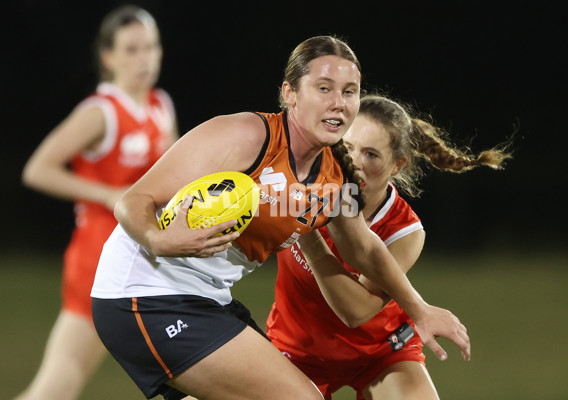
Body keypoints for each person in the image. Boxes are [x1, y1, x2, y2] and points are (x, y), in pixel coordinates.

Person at [90, 35, 470, 400]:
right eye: (324, 88)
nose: (338, 102)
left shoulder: (333, 175)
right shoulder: (246, 136)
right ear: (289, 93)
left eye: (349, 91)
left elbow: (365, 250)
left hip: (205, 300)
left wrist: (420, 310)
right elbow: (132, 201)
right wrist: (159, 239)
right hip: (143, 293)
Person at [266, 93, 512, 400]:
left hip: (380, 353)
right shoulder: (301, 182)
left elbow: (355, 312)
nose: (354, 162)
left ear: (397, 166)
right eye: (348, 147)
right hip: (297, 351)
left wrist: (304, 231)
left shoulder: (404, 231)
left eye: (371, 154)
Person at [16, 5, 179, 400]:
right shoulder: (101, 113)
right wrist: (107, 195)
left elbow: (176, 178)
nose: (144, 59)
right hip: (100, 258)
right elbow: (38, 169)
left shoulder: (160, 106)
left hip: (149, 257)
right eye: (131, 49)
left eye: (151, 47)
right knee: (58, 385)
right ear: (108, 57)